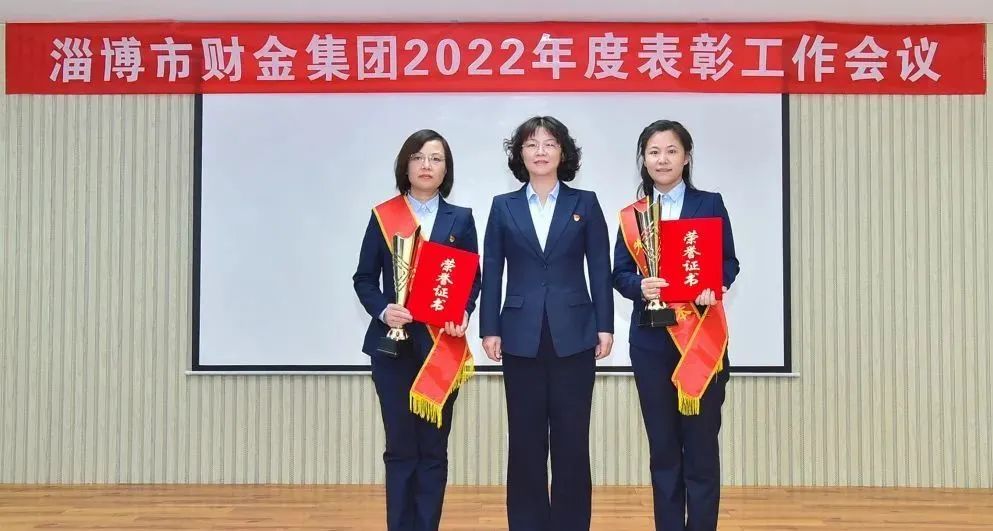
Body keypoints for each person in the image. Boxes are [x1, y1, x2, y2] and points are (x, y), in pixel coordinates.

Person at [479, 116, 614, 531]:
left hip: (575, 334)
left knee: (572, 440)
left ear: (563, 152)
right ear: (519, 154)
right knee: (525, 441)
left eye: (550, 143)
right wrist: (489, 328)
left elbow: (600, 268)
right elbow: (492, 271)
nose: (540, 151)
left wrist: (605, 325)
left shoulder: (584, 203)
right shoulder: (503, 206)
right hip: (519, 336)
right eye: (531, 144)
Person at [611, 120, 740, 531]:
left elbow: (729, 261)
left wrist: (715, 285)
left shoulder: (709, 203)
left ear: (686, 157)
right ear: (644, 160)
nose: (662, 159)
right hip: (651, 344)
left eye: (671, 151)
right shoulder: (633, 216)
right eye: (654, 152)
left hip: (700, 338)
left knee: (701, 450)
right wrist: (639, 286)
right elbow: (619, 273)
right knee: (663, 450)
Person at [353, 129, 480, 531]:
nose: (427, 165)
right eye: (419, 157)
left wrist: (463, 310)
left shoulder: (461, 219)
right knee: (400, 448)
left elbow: (471, 278)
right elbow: (363, 278)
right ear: (405, 165)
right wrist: (382, 310)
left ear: (446, 169)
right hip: (392, 350)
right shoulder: (383, 216)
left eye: (436, 158)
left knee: (433, 450)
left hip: (441, 347)